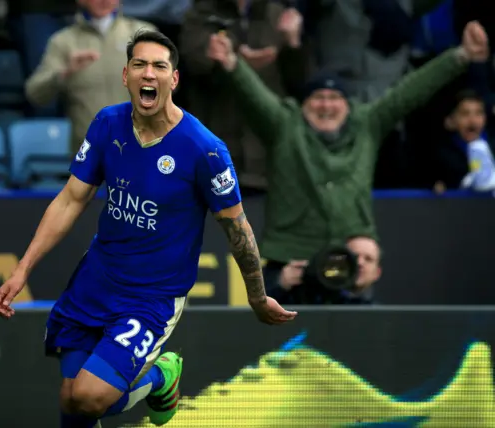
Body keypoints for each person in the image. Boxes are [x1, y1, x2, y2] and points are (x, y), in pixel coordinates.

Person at [0, 30, 297, 428]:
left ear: (174, 80)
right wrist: (23, 269)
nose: (147, 73)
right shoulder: (107, 124)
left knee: (89, 397)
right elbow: (71, 199)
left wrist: (257, 297)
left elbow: (237, 230)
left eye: (159, 66)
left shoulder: (204, 149)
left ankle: (160, 375)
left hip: (150, 298)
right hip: (96, 282)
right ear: (126, 76)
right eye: (139, 64)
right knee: (71, 403)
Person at [206, 20, 489, 290]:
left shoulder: (367, 124)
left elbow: (409, 91)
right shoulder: (285, 127)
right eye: (317, 98)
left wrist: (460, 56)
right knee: (282, 338)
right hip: (291, 261)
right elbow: (254, 96)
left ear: (348, 104)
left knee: (356, 335)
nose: (326, 105)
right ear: (303, 105)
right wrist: (232, 63)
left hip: (354, 257)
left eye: (334, 98)